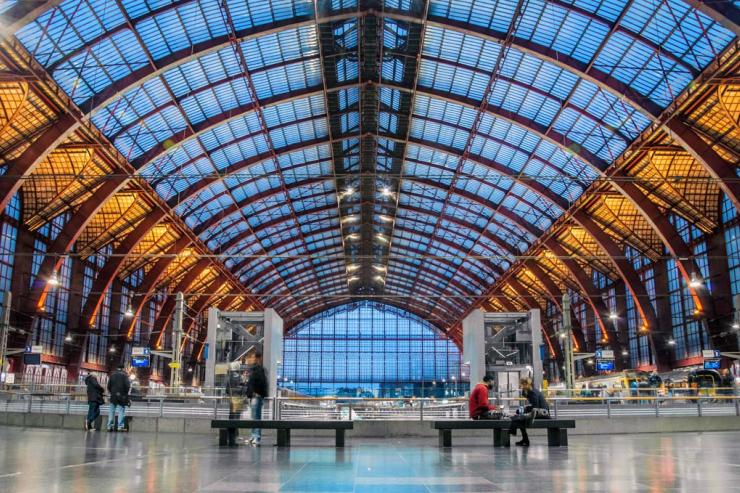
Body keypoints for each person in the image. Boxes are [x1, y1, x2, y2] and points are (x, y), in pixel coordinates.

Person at [509, 377, 549, 446]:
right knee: (519, 416)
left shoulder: (533, 393)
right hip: (538, 412)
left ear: (526, 384)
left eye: (522, 385)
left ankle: (523, 438)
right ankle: (524, 439)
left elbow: (535, 407)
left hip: (542, 413)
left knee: (519, 418)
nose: (521, 386)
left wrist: (525, 409)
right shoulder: (531, 391)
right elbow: (532, 405)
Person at [245, 351, 268, 446]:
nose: (250, 359)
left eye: (252, 357)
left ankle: (257, 436)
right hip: (253, 396)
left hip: (256, 396)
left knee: (256, 417)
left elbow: (261, 383)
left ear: (257, 358)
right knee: (253, 417)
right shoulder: (254, 369)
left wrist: (258, 393)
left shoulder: (259, 369)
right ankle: (253, 435)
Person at [107, 365, 131, 432]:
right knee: (121, 411)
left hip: (113, 395)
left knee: (111, 411)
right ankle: (120, 427)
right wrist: (124, 393)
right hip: (122, 396)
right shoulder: (125, 375)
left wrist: (112, 392)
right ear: (123, 368)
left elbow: (108, 386)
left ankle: (109, 427)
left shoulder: (112, 375)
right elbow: (127, 386)